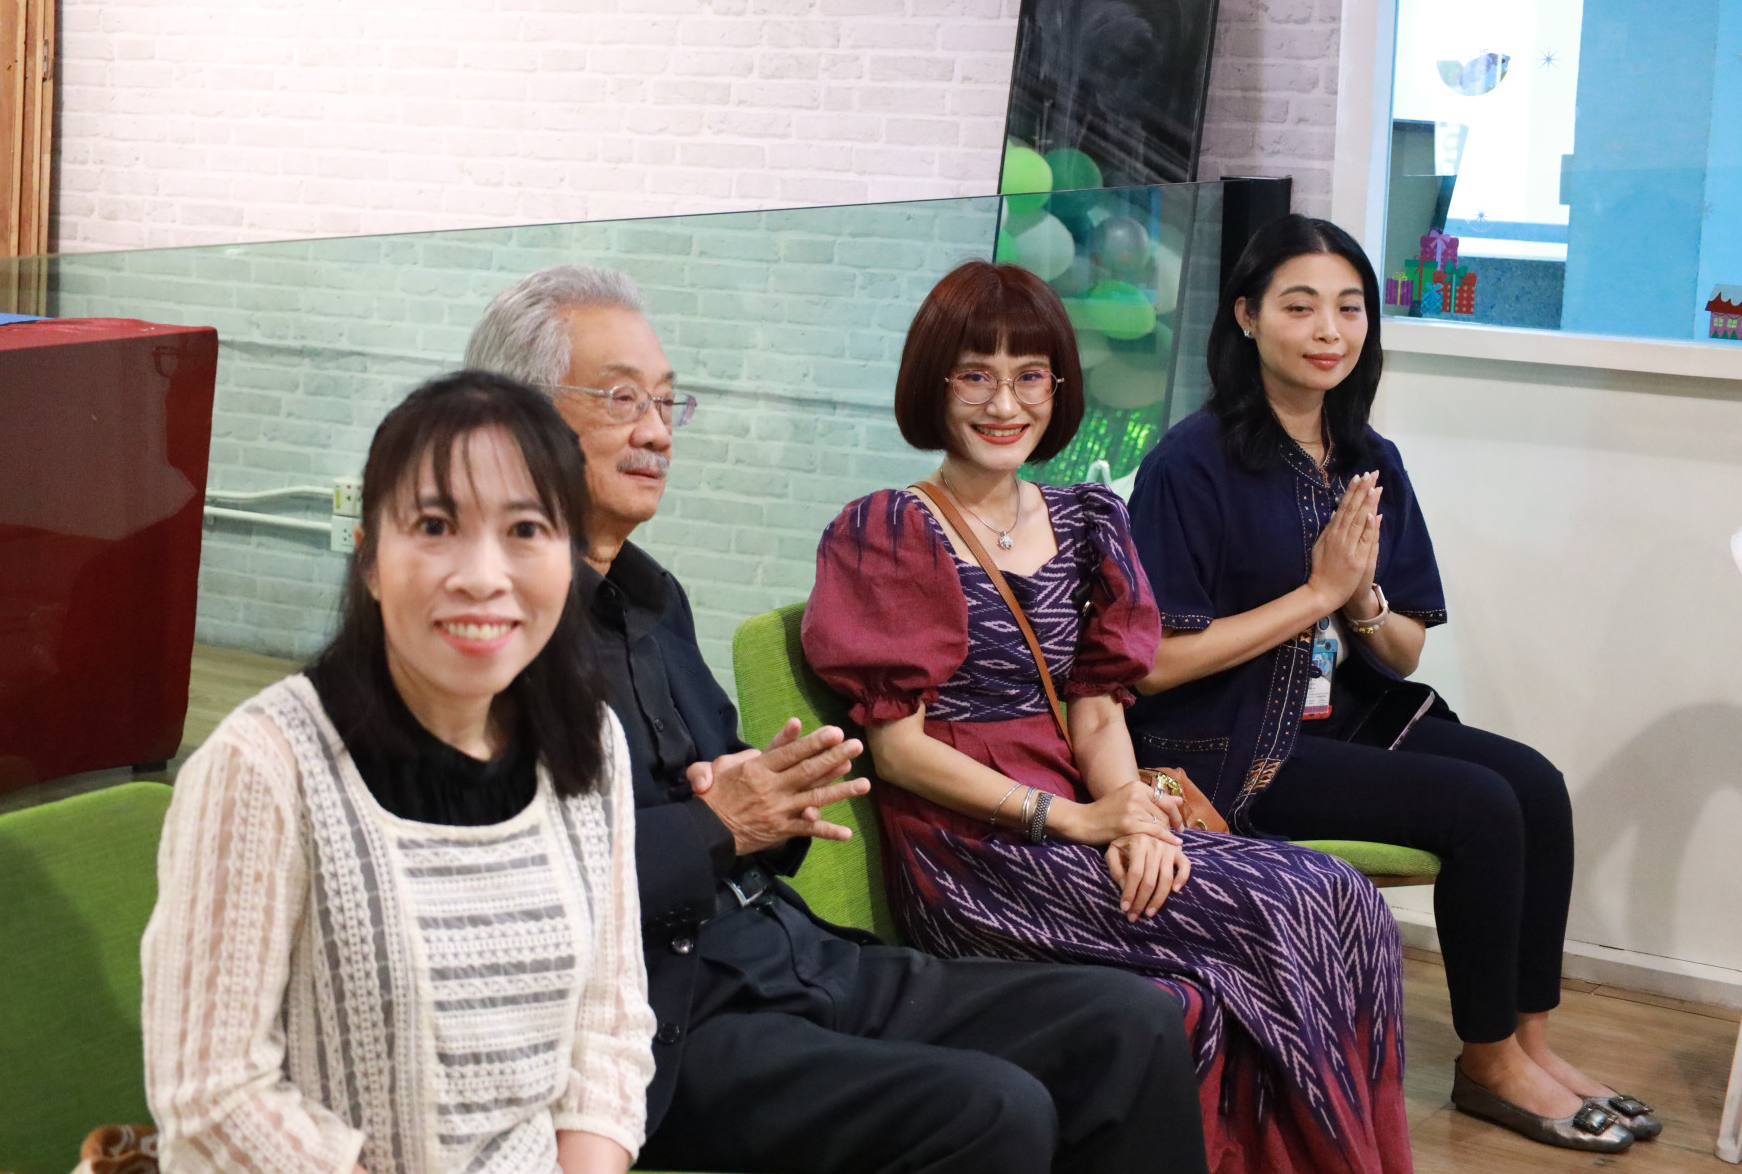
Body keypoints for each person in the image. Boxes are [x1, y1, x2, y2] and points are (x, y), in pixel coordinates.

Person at [463, 265, 1209, 1174]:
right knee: (992, 1111)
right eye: (623, 400)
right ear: (512, 418)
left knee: (1130, 1022)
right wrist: (714, 823)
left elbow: (746, 812)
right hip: (667, 1017)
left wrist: (764, 802)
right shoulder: (481, 630)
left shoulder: (653, 601)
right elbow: (500, 887)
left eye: (666, 401)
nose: (657, 431)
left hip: (789, 957)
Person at [800, 260, 1413, 1174]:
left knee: (1344, 899)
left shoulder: (1087, 518)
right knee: (1286, 910)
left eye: (1029, 375)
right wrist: (1075, 819)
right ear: (933, 384)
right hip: (976, 854)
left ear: (1058, 387)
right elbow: (898, 751)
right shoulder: (891, 528)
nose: (1004, 402)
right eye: (974, 375)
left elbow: (1096, 711)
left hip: (1083, 817)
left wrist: (1133, 818)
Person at [1124, 214, 1655, 1153]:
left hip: (1344, 717)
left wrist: (1361, 598)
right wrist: (1315, 594)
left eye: (1349, 307)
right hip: (1225, 740)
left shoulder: (1368, 457)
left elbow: (1402, 651)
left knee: (1535, 785)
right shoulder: (1188, 464)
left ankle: (1530, 1043)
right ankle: (1488, 1062)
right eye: (1300, 307)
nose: (1329, 330)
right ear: (1246, 316)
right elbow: (1157, 660)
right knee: (1480, 807)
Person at [142, 372, 654, 1174]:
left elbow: (608, 1029)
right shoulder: (265, 767)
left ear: (570, 559)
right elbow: (214, 1097)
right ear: (371, 560)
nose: (482, 575)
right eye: (435, 525)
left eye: (526, 528)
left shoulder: (589, 744)